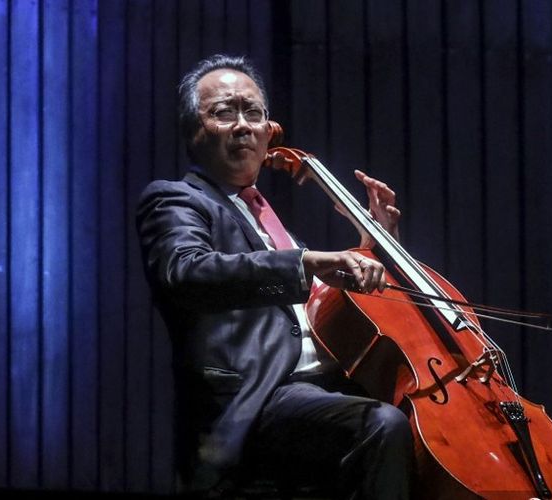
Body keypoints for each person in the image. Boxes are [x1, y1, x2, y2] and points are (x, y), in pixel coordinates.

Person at [137, 54, 413, 499]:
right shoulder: (176, 201)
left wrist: (375, 242)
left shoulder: (271, 223)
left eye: (254, 112)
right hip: (258, 398)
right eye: (224, 112)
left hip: (326, 387)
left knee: (423, 429)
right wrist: (306, 262)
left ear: (270, 132)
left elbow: (331, 302)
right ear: (194, 130)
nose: (243, 125)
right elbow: (185, 271)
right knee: (380, 426)